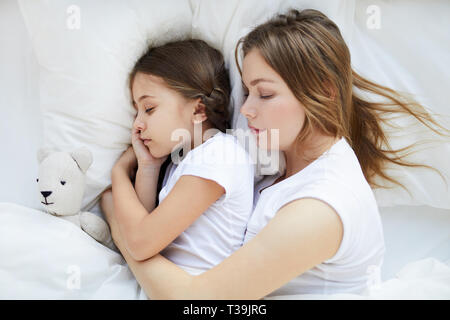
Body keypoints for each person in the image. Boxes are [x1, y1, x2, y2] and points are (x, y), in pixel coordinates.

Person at [101, 9, 448, 299]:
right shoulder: (281, 164)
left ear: (323, 93)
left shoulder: (319, 209)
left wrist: (121, 227)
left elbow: (196, 302)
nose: (247, 109)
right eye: (248, 92)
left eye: (264, 95)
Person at [102, 39, 255, 277]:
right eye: (136, 111)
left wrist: (119, 172)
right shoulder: (183, 162)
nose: (137, 124)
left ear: (198, 110)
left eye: (149, 108)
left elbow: (140, 243)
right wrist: (148, 167)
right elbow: (140, 224)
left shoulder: (220, 155)